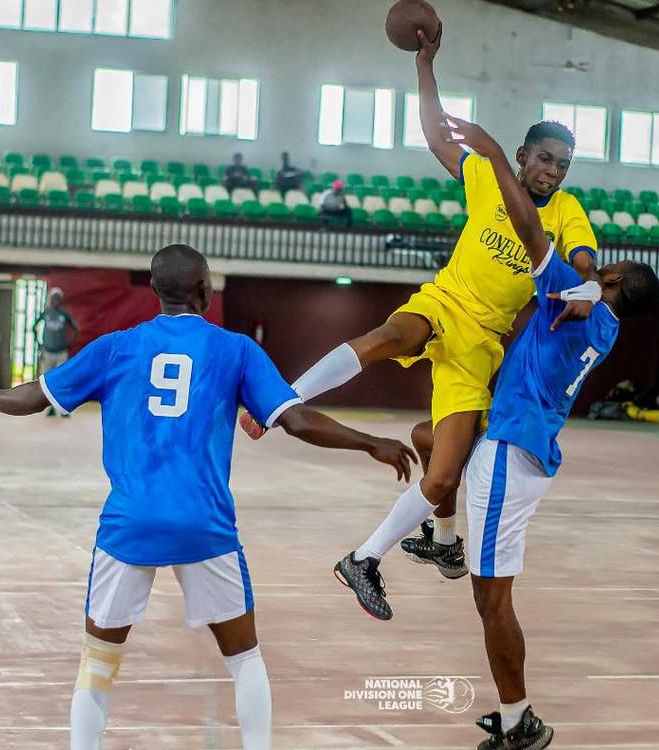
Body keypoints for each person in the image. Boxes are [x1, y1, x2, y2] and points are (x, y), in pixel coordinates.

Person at [0, 244, 417, 750]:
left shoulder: (116, 347)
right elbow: (297, 420)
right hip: (205, 525)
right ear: (204, 289)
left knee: (98, 664)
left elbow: (36, 395)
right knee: (244, 660)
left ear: (154, 292)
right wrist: (370, 441)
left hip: (130, 525)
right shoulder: (236, 350)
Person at [337, 116, 659, 748]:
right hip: (521, 441)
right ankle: (442, 539)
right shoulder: (606, 325)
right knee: (432, 441)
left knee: (493, 604)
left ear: (613, 281)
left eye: (608, 267)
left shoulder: (574, 292)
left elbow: (531, 229)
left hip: (510, 458)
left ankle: (518, 723)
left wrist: (486, 149)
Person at [244, 23, 599, 588]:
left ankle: (382, 555)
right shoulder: (484, 174)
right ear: (522, 154)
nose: (553, 172)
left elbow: (583, 262)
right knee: (382, 339)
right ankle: (280, 401)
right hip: (443, 301)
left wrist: (589, 287)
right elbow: (436, 132)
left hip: (481, 344)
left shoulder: (567, 210)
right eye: (545, 160)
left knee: (440, 478)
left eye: (563, 165)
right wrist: (424, 64)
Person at [33, 287, 79, 417]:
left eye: (58, 298)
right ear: (50, 299)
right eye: (54, 298)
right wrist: (40, 343)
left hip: (61, 353)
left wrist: (69, 344)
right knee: (48, 382)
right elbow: (33, 326)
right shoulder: (46, 313)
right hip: (48, 352)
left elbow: (76, 329)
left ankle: (63, 409)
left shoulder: (64, 314)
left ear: (61, 300)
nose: (55, 301)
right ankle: (51, 409)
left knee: (63, 381)